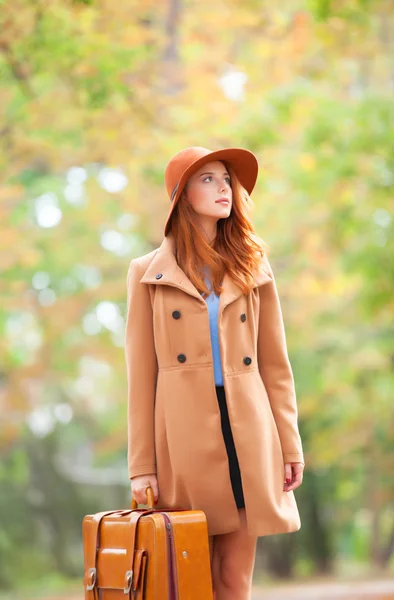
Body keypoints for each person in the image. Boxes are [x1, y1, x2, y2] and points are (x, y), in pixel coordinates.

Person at [125, 146, 305, 600]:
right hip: (182, 438)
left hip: (248, 431)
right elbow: (140, 376)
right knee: (187, 579)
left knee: (234, 578)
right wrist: (141, 466)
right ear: (181, 195)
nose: (224, 187)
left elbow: (275, 365)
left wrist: (289, 444)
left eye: (226, 178)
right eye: (207, 179)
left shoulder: (252, 266)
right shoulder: (147, 274)